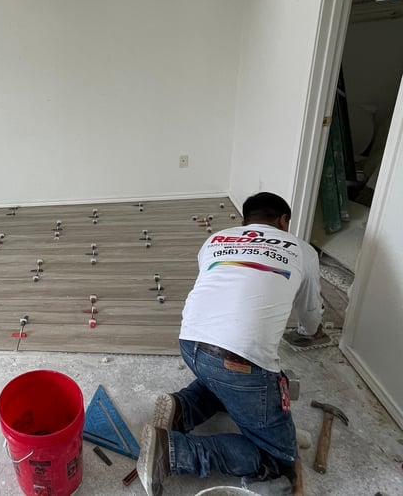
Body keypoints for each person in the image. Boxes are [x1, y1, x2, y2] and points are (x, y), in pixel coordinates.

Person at [138, 192, 324, 495]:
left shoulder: (217, 239)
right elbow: (312, 313)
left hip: (191, 343)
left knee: (229, 379)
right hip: (237, 360)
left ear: (244, 222)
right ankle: (171, 451)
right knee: (278, 459)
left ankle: (183, 407)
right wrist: (309, 330)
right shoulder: (303, 250)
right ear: (283, 221)